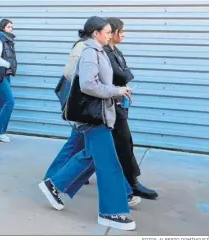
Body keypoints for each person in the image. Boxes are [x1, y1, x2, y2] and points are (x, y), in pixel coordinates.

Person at [38, 16, 137, 231]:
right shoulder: (90, 53)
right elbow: (88, 85)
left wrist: (116, 94)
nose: (111, 35)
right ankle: (110, 213)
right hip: (93, 116)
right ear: (95, 33)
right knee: (109, 163)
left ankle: (53, 185)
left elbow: (100, 83)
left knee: (90, 156)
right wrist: (116, 91)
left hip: (99, 114)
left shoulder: (99, 51)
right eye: (108, 31)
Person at [104, 17, 158, 199]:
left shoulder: (115, 51)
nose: (124, 34)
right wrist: (123, 77)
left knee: (111, 145)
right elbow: (120, 75)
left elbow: (126, 74)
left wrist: (124, 77)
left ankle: (63, 179)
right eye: (122, 31)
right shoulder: (103, 53)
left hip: (119, 103)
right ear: (111, 33)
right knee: (123, 143)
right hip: (110, 105)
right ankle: (131, 183)